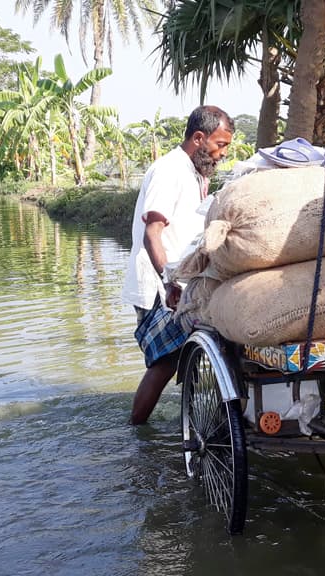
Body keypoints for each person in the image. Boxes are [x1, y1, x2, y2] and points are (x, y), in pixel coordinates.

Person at [122, 105, 234, 425]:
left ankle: (198, 420)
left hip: (180, 281)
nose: (222, 153)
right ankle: (137, 429)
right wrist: (169, 280)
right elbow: (152, 234)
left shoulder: (195, 173)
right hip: (160, 282)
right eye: (220, 145)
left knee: (188, 352)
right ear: (199, 138)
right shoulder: (169, 170)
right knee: (166, 361)